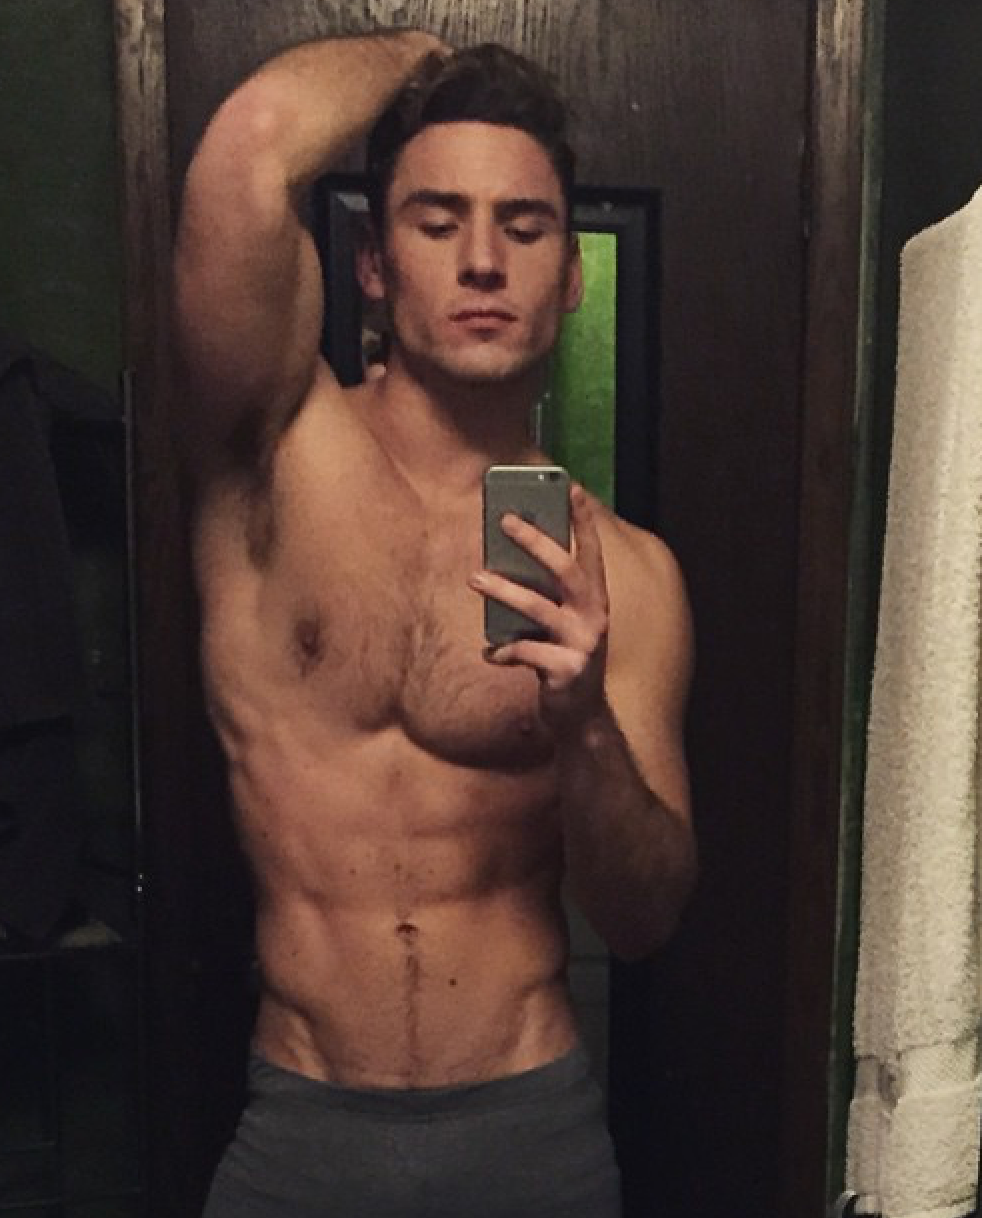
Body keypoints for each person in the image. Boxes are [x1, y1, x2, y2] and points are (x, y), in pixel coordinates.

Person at [175, 30, 697, 1218]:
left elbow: (646, 918)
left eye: (525, 226)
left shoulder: (628, 574)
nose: (482, 261)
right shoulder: (271, 457)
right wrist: (425, 54)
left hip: (532, 1134)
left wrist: (585, 726)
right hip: (301, 1133)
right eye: (437, 219)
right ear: (372, 261)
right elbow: (247, 154)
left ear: (572, 275)